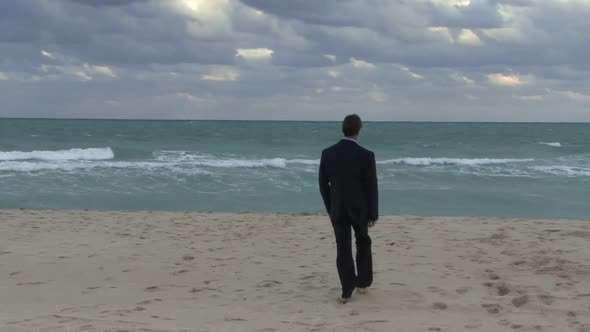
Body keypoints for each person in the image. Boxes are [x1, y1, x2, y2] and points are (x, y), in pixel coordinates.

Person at [319, 114, 379, 304]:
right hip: (359, 208)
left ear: (342, 129)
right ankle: (362, 282)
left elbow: (323, 185)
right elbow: (371, 186)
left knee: (342, 247)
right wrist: (373, 213)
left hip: (338, 207)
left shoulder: (327, 153)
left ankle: (346, 290)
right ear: (358, 131)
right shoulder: (366, 155)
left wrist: (330, 207)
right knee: (363, 242)